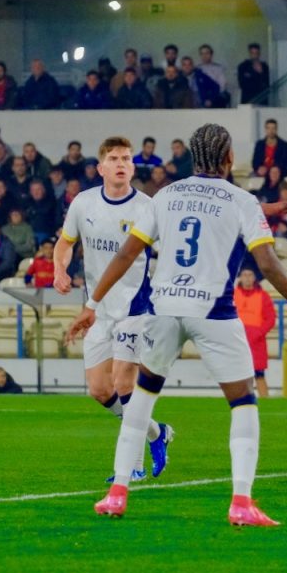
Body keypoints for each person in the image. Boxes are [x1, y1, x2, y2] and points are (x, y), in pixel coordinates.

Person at [69, 125, 287, 525]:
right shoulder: (241, 199)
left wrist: (91, 304)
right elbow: (267, 263)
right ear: (228, 158)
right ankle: (241, 501)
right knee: (243, 402)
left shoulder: (165, 195)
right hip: (213, 311)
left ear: (194, 157)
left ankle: (117, 494)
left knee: (142, 396)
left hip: (163, 308)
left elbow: (125, 255)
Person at [56, 136, 173, 484]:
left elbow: (169, 250)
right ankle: (156, 432)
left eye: (126, 158)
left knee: (124, 381)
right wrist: (60, 268)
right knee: (99, 390)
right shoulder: (84, 203)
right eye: (114, 158)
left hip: (136, 307)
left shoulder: (148, 208)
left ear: (133, 167)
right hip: (98, 310)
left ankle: (133, 466)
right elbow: (65, 242)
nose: (121, 164)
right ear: (101, 168)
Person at [234, 268, 276, 398]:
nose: (247, 278)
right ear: (240, 277)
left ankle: (265, 401)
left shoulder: (263, 296)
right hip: (237, 340)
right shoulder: (232, 295)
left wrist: (259, 332)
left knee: (259, 374)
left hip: (256, 342)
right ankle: (240, 401)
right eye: (244, 275)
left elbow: (271, 318)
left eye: (250, 275)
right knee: (237, 375)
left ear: (254, 277)